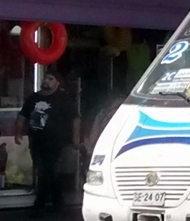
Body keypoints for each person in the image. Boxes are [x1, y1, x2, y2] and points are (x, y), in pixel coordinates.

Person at [15, 69, 81, 212]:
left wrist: (75, 139)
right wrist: (18, 132)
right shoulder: (33, 98)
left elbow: (75, 118)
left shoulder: (63, 98)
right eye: (45, 78)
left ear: (57, 83)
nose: (46, 81)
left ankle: (41, 203)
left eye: (50, 79)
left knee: (48, 170)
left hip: (57, 141)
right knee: (44, 170)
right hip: (37, 140)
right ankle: (57, 200)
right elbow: (22, 115)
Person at [84, 89, 127, 155]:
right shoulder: (129, 112)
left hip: (105, 147)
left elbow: (94, 134)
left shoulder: (103, 113)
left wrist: (91, 148)